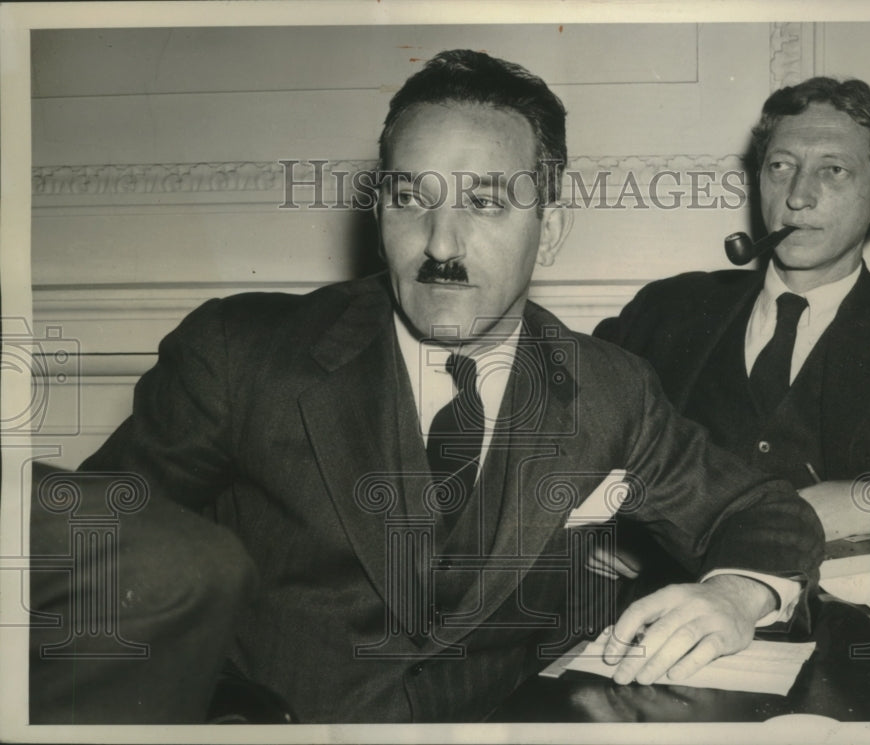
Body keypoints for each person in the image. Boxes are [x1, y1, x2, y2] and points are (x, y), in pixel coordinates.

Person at [45, 50, 824, 723]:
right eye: (411, 199)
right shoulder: (241, 355)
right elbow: (97, 555)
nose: (440, 243)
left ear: (550, 230)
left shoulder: (608, 388)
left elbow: (761, 511)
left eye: (484, 203)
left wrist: (735, 594)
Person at [596, 77, 870, 555]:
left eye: (833, 170)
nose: (797, 196)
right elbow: (567, 437)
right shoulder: (666, 309)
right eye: (781, 166)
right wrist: (602, 531)